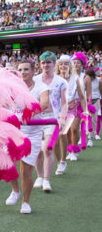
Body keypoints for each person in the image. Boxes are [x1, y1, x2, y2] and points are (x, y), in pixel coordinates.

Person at [4, 60, 50, 214]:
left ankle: (26, 202)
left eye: (26, 69)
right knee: (7, 163)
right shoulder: (13, 87)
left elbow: (44, 103)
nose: (23, 72)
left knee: (26, 170)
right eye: (20, 69)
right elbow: (4, 103)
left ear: (33, 71)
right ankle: (15, 191)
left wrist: (29, 114)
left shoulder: (41, 87)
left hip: (32, 133)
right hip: (14, 131)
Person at [33, 51, 67, 192]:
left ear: (54, 63)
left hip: (53, 118)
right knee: (36, 150)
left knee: (47, 148)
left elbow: (64, 103)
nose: (46, 65)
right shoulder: (35, 79)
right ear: (40, 64)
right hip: (36, 118)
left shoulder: (61, 81)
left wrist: (62, 118)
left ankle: (46, 180)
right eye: (43, 62)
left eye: (48, 62)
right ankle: (39, 176)